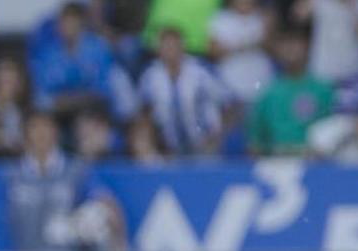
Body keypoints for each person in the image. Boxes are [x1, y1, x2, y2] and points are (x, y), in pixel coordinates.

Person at [8, 110, 126, 251]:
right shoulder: (11, 174)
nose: (41, 133)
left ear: (56, 132)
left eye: (46, 127)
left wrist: (76, 225)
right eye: (35, 127)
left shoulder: (76, 170)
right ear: (25, 134)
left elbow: (106, 204)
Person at [137, 26, 229, 157]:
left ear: (183, 46)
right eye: (165, 45)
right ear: (158, 49)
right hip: (168, 150)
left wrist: (216, 137)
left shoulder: (201, 72)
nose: (170, 50)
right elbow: (144, 113)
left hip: (205, 147)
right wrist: (152, 144)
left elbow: (230, 103)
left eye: (173, 45)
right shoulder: (150, 76)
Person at [247, 28, 335, 156]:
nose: (290, 50)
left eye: (295, 44)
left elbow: (336, 130)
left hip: (317, 164)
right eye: (285, 45)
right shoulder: (268, 93)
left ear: (307, 48)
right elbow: (255, 142)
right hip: (276, 163)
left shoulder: (324, 89)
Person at [208, 0, 274, 104]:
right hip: (230, 85)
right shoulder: (221, 19)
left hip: (261, 82)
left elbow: (274, 48)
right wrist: (241, 46)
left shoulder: (262, 17)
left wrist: (269, 28)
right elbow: (213, 52)